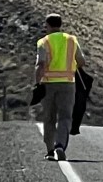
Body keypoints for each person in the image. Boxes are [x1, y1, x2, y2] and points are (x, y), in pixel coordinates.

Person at [35, 15, 85, 161]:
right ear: (60, 24)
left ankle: (50, 151)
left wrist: (37, 83)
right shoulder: (71, 40)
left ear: (47, 25)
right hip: (68, 84)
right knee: (65, 117)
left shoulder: (44, 42)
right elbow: (81, 61)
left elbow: (41, 65)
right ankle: (60, 145)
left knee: (49, 117)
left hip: (48, 84)